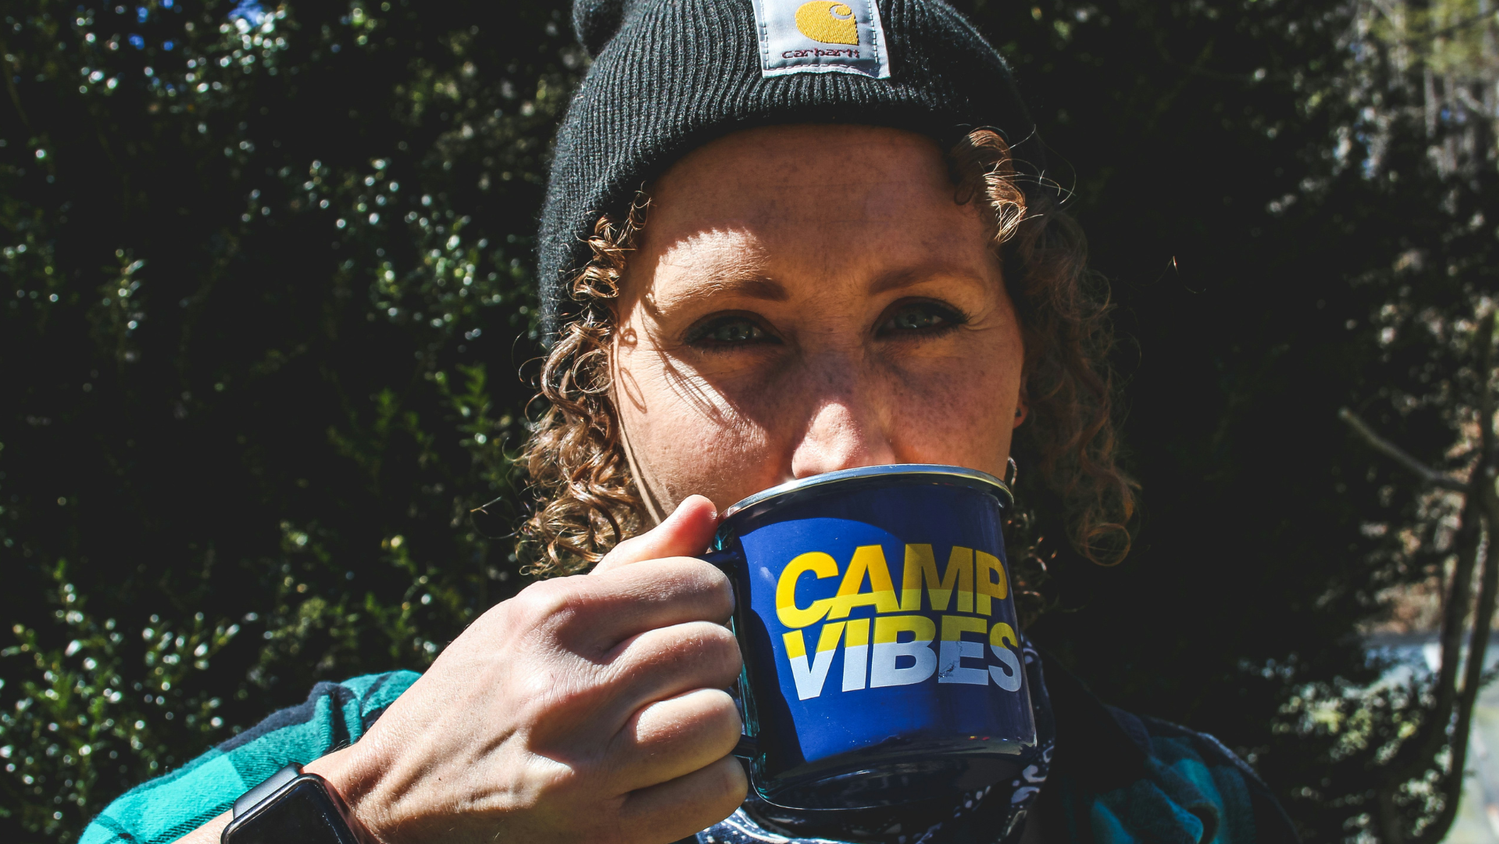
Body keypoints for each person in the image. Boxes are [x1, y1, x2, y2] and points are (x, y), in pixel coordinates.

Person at [82, 1, 1300, 843]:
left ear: (1028, 358)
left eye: (922, 315)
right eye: (733, 328)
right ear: (598, 382)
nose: (845, 440)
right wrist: (367, 815)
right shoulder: (375, 761)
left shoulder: (1188, 811)